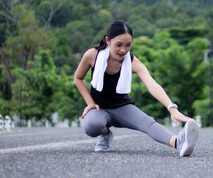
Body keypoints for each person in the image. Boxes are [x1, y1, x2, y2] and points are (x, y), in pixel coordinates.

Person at [74, 20, 199, 157]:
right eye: (119, 45)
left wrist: (172, 108)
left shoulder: (133, 62)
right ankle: (105, 134)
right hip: (99, 108)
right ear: (108, 40)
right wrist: (90, 103)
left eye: (128, 45)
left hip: (121, 107)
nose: (123, 50)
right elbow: (78, 78)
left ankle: (179, 143)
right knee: (92, 126)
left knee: (148, 123)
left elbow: (153, 85)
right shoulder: (92, 55)